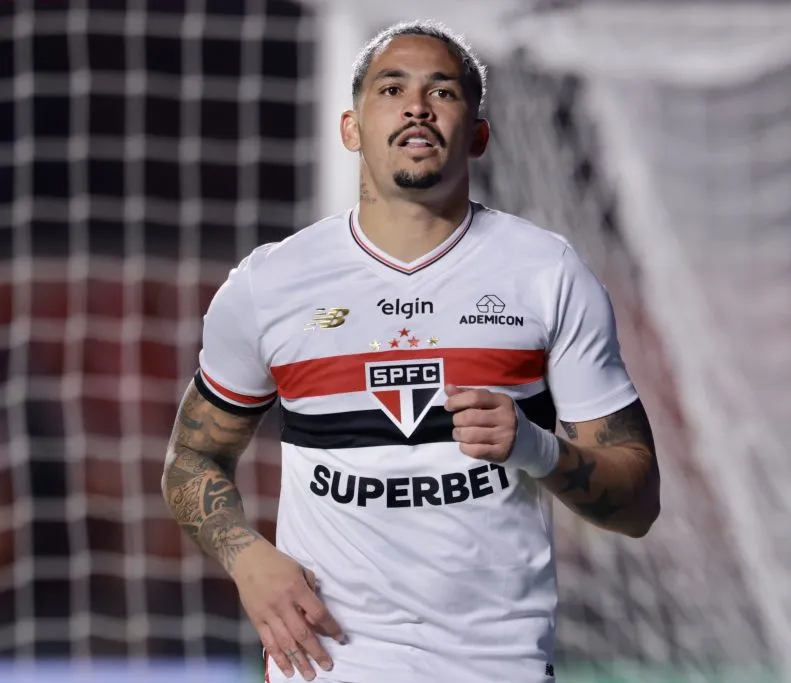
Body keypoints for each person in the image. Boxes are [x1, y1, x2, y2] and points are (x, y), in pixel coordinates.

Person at [161, 19, 660, 683]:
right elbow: (192, 456)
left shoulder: (547, 274)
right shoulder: (269, 284)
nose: (416, 105)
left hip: (497, 665)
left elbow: (639, 499)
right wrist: (246, 557)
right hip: (328, 664)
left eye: (443, 91)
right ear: (350, 128)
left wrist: (535, 446)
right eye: (391, 89)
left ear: (478, 134)